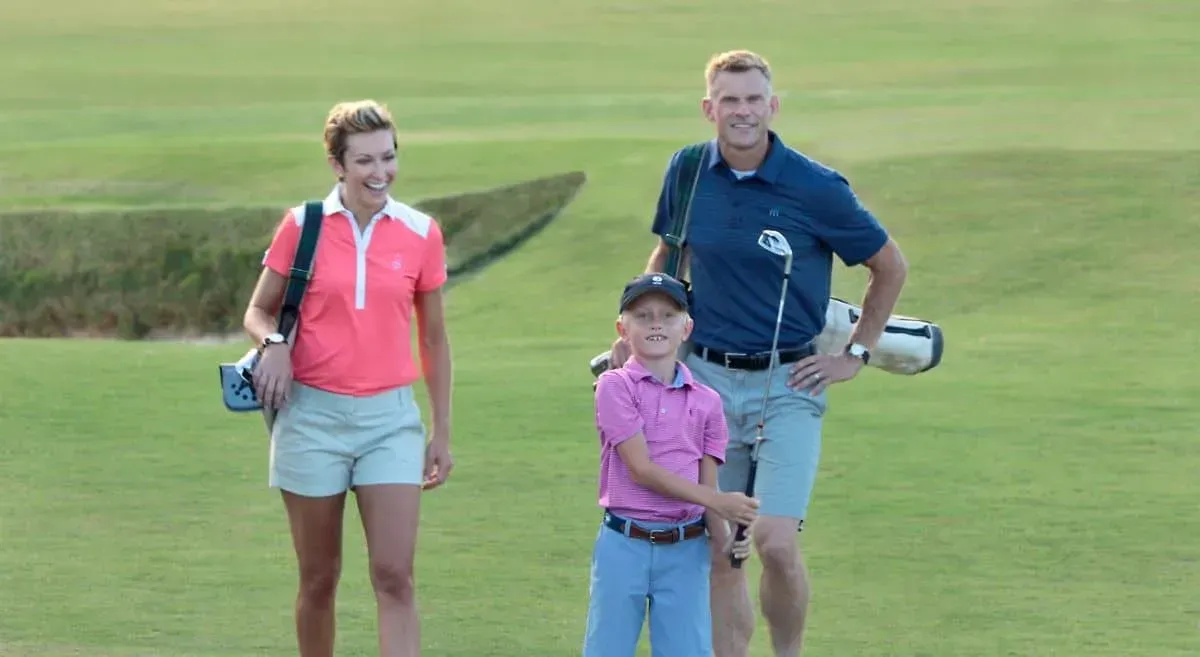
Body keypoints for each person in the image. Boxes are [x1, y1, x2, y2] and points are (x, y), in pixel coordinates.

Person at [608, 51, 911, 657]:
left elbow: (889, 266)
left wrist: (855, 353)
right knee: (720, 546)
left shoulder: (815, 187)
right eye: (729, 100)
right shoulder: (689, 171)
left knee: (773, 540)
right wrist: (640, 335)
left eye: (752, 100)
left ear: (772, 107)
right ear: (708, 108)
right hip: (704, 384)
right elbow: (668, 261)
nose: (741, 111)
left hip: (789, 383)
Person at [242, 99, 454, 657]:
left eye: (388, 157)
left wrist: (442, 431)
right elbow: (257, 311)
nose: (379, 172)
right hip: (311, 417)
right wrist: (275, 346)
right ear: (338, 165)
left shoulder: (420, 232)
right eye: (364, 160)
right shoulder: (302, 225)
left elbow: (433, 338)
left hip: (390, 421)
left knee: (395, 575)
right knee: (318, 578)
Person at [584, 272, 761, 657]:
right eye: (643, 316)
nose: (656, 324)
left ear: (687, 328)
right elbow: (642, 470)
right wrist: (720, 504)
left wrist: (724, 535)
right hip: (623, 544)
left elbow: (707, 482)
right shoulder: (615, 386)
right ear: (622, 328)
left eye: (668, 315)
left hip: (685, 548)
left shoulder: (708, 401)